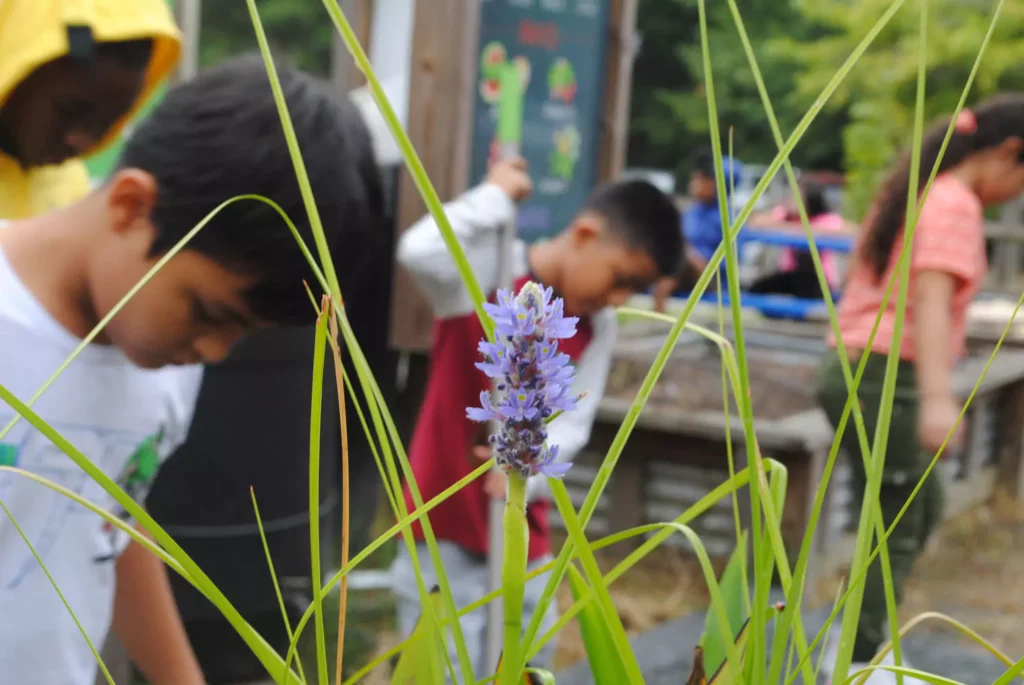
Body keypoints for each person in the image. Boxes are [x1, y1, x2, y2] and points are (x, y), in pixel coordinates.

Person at [0, 54, 383, 685]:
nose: (213, 352)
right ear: (130, 206)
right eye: (208, 313)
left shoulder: (164, 365)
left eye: (242, 333)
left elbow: (111, 524)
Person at [389, 155, 683, 680]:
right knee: (443, 665)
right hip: (445, 517)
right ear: (586, 233)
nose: (617, 300)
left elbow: (574, 420)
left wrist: (527, 470)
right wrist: (495, 196)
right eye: (620, 279)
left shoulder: (596, 325)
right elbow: (419, 250)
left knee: (525, 661)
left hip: (524, 521)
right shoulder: (487, 272)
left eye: (631, 292)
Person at [816, 94, 1024, 685]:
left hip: (859, 366)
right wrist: (937, 398)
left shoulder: (920, 190)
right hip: (887, 374)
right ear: (1009, 153)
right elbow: (930, 300)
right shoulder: (954, 204)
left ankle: (850, 637)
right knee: (898, 517)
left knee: (906, 505)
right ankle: (856, 659)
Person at [0, 0, 181, 218]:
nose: (84, 141)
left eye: (108, 123)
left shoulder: (70, 188)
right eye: (69, 111)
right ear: (16, 68)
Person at [652, 147, 743, 312]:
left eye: (704, 179)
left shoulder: (729, 219)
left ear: (721, 185)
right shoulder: (692, 211)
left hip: (710, 277)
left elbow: (730, 263)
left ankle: (659, 310)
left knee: (682, 253)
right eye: (696, 176)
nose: (695, 181)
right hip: (681, 270)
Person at [747, 180, 848, 301]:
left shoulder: (825, 219)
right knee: (756, 289)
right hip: (791, 274)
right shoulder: (786, 216)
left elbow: (846, 230)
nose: (791, 200)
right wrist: (791, 226)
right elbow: (755, 221)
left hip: (819, 279)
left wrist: (799, 230)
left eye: (796, 197)